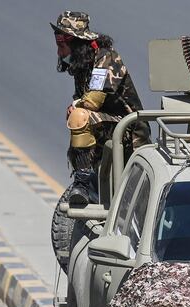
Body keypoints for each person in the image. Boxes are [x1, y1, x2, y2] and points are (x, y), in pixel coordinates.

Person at [52, 11, 150, 206]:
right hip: (106, 123)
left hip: (129, 129)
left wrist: (75, 106)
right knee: (78, 116)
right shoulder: (83, 64)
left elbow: (91, 102)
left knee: (79, 115)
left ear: (76, 44)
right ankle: (86, 182)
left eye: (62, 47)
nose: (59, 53)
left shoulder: (105, 58)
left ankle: (83, 184)